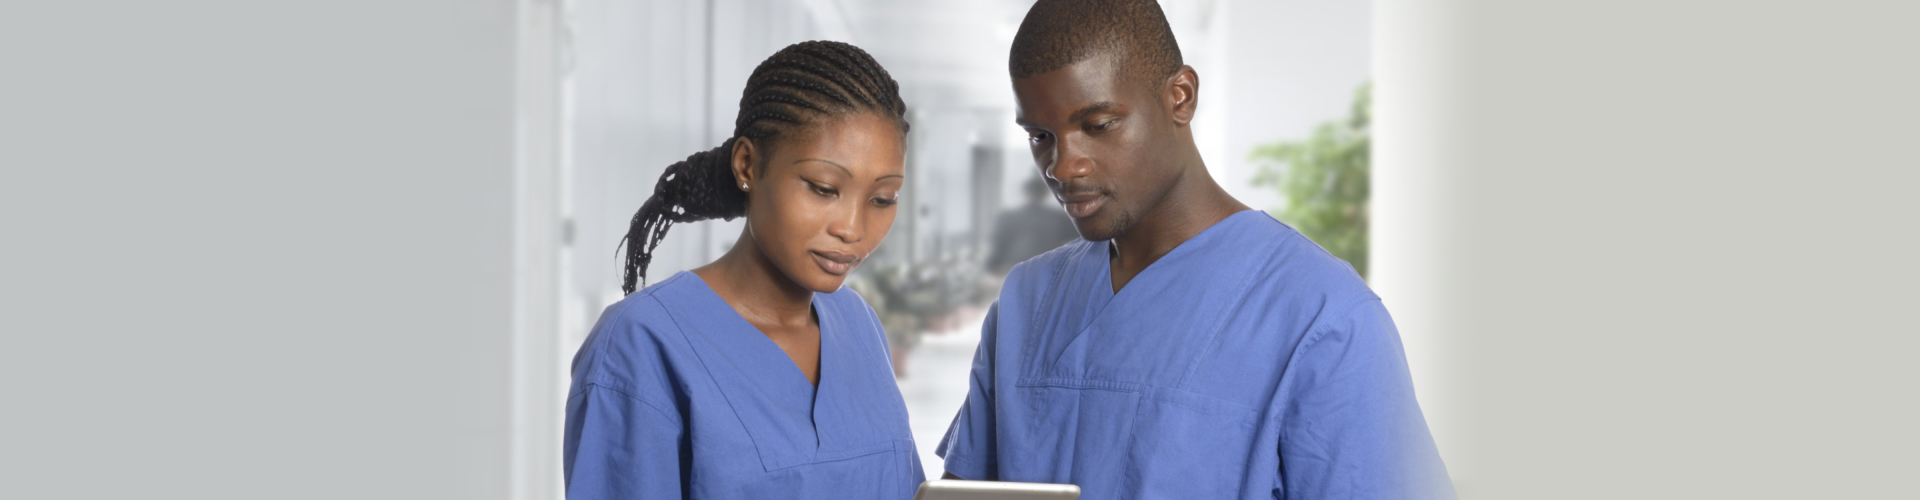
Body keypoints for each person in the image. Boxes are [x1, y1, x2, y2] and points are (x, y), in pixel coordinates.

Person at [935, 2, 1456, 499]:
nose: (1063, 166)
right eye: (1041, 136)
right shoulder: (1028, 301)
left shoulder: (1322, 316)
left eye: (1098, 125)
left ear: (1180, 96)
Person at [563, 41, 924, 499]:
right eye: (823, 188)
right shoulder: (641, 343)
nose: (853, 229)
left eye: (882, 199)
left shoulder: (859, 324)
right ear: (747, 165)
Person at [986, 176, 1082, 275]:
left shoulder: (1009, 217)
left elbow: (999, 248)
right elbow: (1077, 242)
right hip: (1045, 268)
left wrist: (992, 267)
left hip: (1024, 268)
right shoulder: (1059, 218)